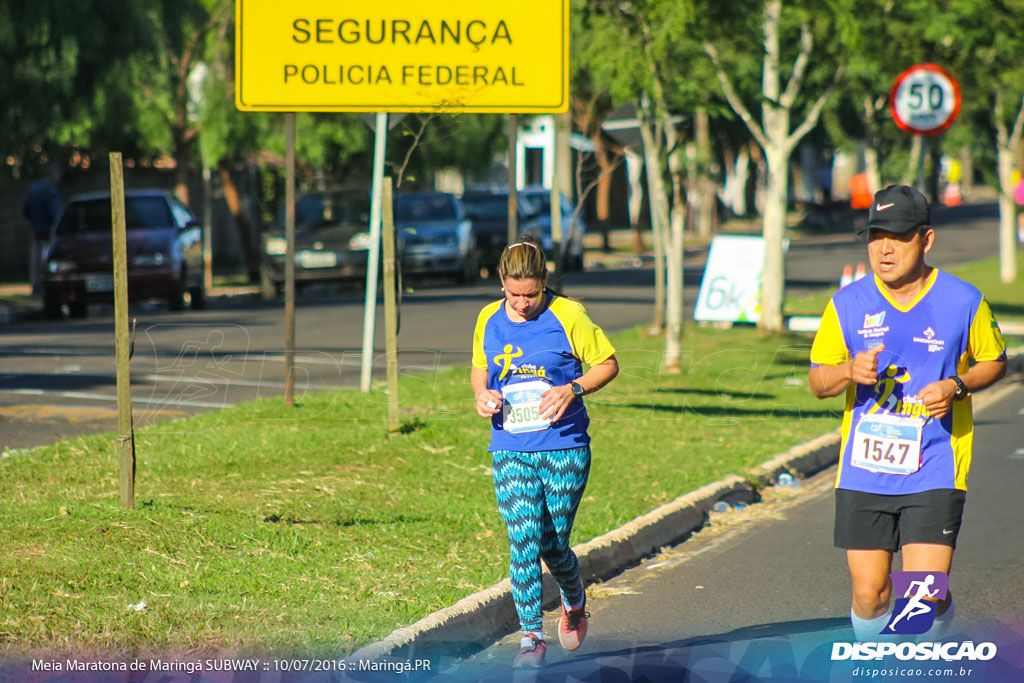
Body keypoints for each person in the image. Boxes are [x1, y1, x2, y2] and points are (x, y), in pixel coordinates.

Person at [808, 184, 1007, 643]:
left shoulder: (964, 300)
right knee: (870, 593)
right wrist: (846, 371)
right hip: (864, 470)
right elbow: (818, 382)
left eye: (897, 236)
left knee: (921, 597)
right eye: (876, 235)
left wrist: (957, 385)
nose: (884, 248)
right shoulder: (847, 303)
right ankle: (879, 660)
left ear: (927, 239)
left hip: (935, 464)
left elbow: (994, 361)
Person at [471, 234, 619, 669]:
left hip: (565, 447)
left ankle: (574, 601)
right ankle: (530, 637)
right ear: (501, 282)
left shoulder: (569, 314)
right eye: (514, 294)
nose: (522, 303)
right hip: (511, 448)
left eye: (531, 294)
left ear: (545, 282)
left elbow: (607, 363)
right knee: (522, 539)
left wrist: (572, 389)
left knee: (553, 545)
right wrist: (482, 395)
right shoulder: (488, 318)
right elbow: (481, 367)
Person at [22, 164, 63, 294]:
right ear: (54, 175)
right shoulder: (52, 190)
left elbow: (25, 210)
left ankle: (35, 284)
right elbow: (56, 212)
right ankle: (47, 284)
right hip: (48, 230)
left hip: (35, 229)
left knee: (35, 257)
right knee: (48, 256)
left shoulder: (33, 188)